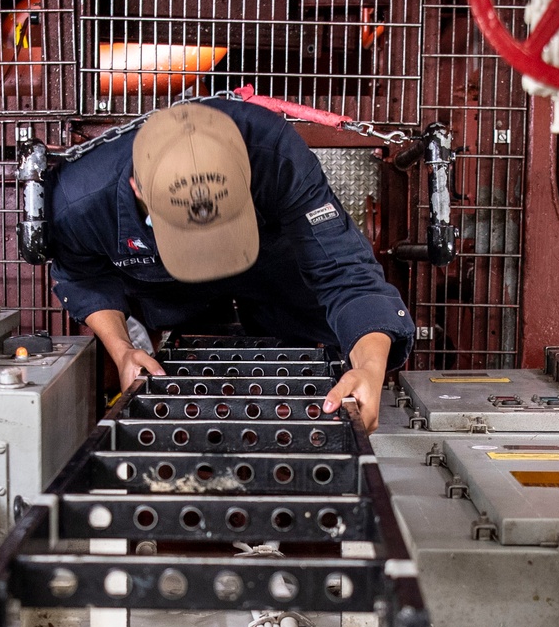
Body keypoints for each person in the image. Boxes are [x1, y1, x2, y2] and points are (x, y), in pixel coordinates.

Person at [45, 98, 414, 432]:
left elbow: (345, 270)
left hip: (271, 272)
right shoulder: (79, 199)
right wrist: (122, 349)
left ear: (247, 173)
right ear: (138, 189)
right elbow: (81, 276)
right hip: (172, 294)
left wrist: (369, 368)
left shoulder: (276, 155)